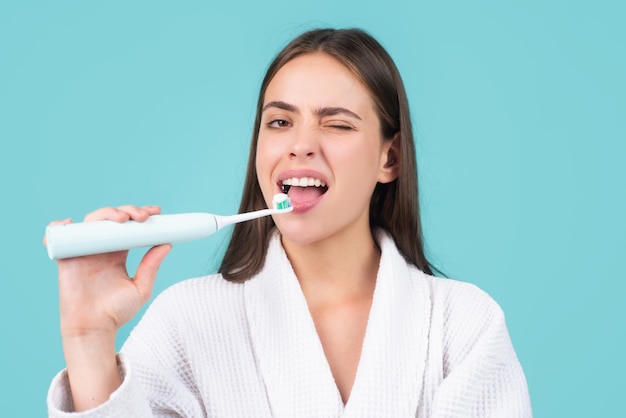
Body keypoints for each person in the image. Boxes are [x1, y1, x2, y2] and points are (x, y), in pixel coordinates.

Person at [46, 28, 532, 417]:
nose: (301, 144)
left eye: (337, 123)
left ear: (391, 158)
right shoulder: (187, 321)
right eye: (279, 122)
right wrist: (87, 337)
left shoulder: (463, 326)